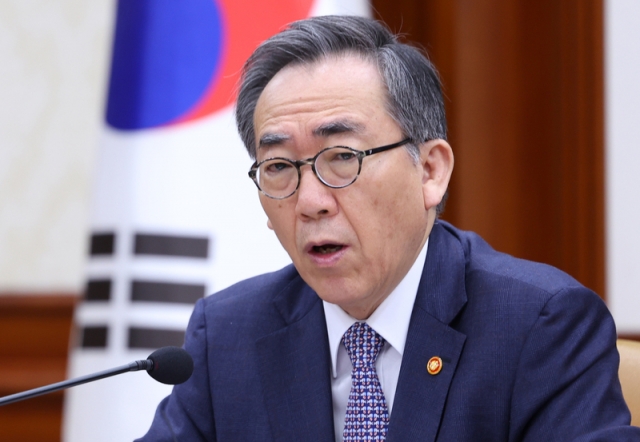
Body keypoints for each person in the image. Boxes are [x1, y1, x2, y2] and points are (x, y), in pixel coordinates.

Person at [138, 15, 639, 441]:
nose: (310, 202)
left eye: (342, 157)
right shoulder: (228, 336)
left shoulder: (541, 327)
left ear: (430, 171)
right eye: (279, 167)